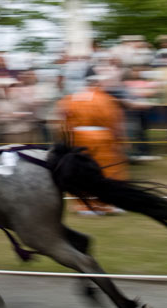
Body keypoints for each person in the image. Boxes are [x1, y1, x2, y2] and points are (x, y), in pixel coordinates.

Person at [55, 74, 128, 215]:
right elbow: (115, 121)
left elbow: (62, 119)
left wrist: (65, 139)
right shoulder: (104, 98)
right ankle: (107, 203)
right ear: (98, 84)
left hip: (77, 138)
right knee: (107, 170)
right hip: (102, 139)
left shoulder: (70, 98)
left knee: (80, 171)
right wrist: (120, 140)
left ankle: (84, 205)